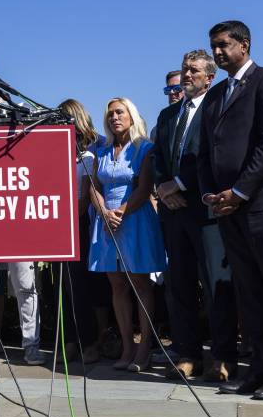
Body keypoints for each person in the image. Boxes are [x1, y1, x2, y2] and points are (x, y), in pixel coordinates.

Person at [198, 20, 263, 401]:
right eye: (213, 46)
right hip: (226, 208)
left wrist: (240, 190)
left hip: (261, 203)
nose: (218, 52)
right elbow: (207, 148)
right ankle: (256, 371)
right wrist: (211, 193)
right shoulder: (217, 92)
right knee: (249, 294)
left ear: (244, 44)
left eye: (223, 44)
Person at [155, 50, 238, 382]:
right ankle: (188, 353)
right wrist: (163, 186)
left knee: (217, 285)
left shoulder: (218, 111)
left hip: (205, 211)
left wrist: (177, 185)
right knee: (180, 285)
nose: (186, 75)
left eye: (193, 70)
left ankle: (222, 355)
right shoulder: (167, 115)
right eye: (184, 69)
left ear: (209, 77)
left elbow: (208, 156)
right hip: (172, 213)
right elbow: (158, 156)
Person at [88, 97, 167, 372]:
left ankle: (145, 347)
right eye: (110, 114)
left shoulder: (144, 148)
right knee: (117, 285)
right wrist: (103, 212)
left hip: (134, 218)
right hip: (106, 221)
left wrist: (120, 212)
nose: (114, 117)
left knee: (140, 284)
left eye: (119, 112)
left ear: (131, 116)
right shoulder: (102, 150)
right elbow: (94, 186)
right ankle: (127, 346)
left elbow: (144, 187)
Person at [56, 98, 105, 365]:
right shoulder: (55, 153)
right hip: (60, 227)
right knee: (63, 288)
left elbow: (85, 198)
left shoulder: (88, 156)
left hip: (79, 226)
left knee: (82, 287)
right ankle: (70, 340)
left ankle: (90, 342)